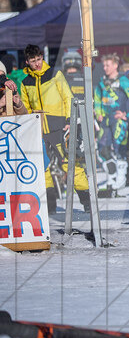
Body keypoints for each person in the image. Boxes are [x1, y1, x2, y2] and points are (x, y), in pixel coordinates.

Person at [20, 44, 90, 212]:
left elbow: (68, 97)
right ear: (27, 62)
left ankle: (87, 202)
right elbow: (26, 107)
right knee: (43, 169)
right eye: (32, 61)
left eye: (38, 59)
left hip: (59, 127)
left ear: (42, 58)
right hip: (38, 130)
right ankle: (49, 207)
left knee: (70, 165)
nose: (37, 63)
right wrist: (30, 122)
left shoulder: (55, 74)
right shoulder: (25, 82)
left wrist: (69, 120)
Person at [93, 54, 129, 184]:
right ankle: (112, 175)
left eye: (107, 65)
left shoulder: (123, 80)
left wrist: (127, 114)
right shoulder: (102, 82)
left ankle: (121, 179)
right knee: (102, 149)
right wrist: (98, 113)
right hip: (105, 120)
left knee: (119, 148)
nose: (105, 68)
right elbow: (97, 98)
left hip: (119, 120)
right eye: (103, 65)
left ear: (115, 65)